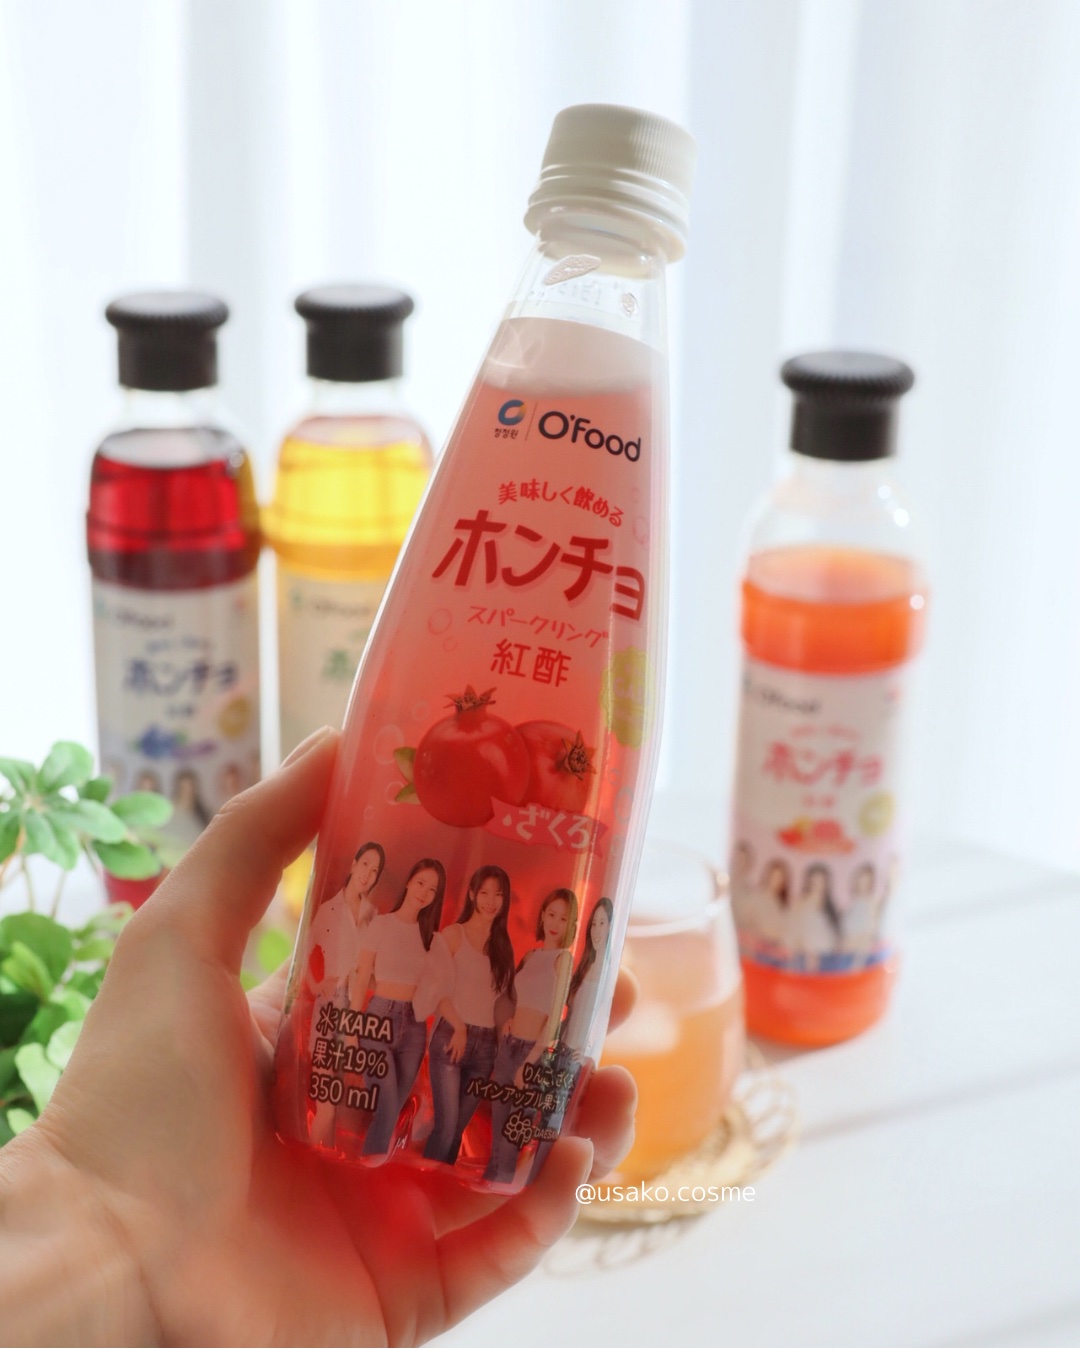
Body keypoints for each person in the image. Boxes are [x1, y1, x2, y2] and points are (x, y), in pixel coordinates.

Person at [0, 728, 636, 1345]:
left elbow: (483, 997)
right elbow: (373, 975)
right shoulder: (410, 930)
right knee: (413, 1115)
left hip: (445, 1036)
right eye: (411, 880)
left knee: (430, 1118)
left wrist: (117, 1247)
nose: (422, 888)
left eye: (428, 884)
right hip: (393, 1021)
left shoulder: (492, 950)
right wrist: (109, 1214)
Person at [417, 864, 515, 1165]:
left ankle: (438, 1186)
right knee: (446, 1128)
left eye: (498, 895)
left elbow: (500, 1001)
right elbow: (434, 989)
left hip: (486, 1048)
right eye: (484, 893)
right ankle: (424, 1182)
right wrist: (459, 1027)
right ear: (472, 894)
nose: (490, 901)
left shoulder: (502, 945)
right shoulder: (453, 935)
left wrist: (506, 1029)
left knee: (457, 1130)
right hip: (452, 1037)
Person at [348, 858, 446, 1157]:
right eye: (420, 883)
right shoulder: (381, 924)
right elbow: (361, 977)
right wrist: (351, 1031)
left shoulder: (432, 938)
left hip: (414, 1028)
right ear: (408, 882)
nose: (424, 892)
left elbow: (439, 987)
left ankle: (373, 1168)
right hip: (378, 1020)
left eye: (432, 889)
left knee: (392, 1115)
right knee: (387, 1108)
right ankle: (368, 1169)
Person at [484, 887, 577, 1186]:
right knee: (498, 1126)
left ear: (571, 925)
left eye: (563, 918)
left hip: (532, 1053)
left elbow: (554, 1018)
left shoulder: (563, 959)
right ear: (542, 916)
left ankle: (501, 1188)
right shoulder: (531, 955)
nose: (555, 923)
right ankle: (489, 1184)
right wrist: (509, 1021)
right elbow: (519, 998)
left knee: (514, 1130)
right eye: (551, 914)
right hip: (509, 1045)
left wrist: (530, 1061)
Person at [302, 839, 386, 1145]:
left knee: (344, 1111)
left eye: (375, 871)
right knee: (326, 1105)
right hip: (329, 1009)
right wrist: (315, 985)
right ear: (353, 864)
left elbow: (372, 970)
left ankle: (323, 1161)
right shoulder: (328, 910)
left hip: (358, 1012)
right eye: (365, 864)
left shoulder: (372, 915)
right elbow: (304, 951)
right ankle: (310, 1161)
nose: (367, 874)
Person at [791, 862, 844, 969]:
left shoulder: (830, 905)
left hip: (831, 958)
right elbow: (796, 932)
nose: (818, 885)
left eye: (822, 881)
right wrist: (808, 954)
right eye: (815, 881)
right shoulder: (802, 904)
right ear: (809, 883)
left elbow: (835, 932)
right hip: (811, 959)